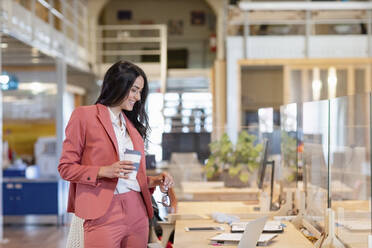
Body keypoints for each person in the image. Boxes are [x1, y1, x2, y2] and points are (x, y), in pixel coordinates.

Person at [58, 60, 174, 248]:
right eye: (134, 90)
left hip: (138, 211)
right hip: (102, 211)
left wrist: (156, 181)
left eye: (140, 92)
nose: (137, 97)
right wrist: (103, 171)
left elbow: (132, 177)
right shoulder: (84, 116)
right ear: (119, 85)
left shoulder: (132, 128)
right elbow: (65, 168)